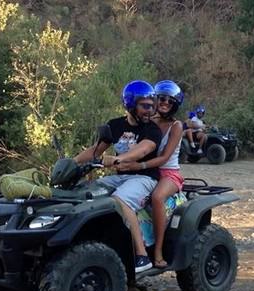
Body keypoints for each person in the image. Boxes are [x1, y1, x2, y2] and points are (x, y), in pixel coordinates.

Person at [74, 80, 162, 273]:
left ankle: (142, 256)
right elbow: (95, 151)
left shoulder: (152, 129)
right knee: (86, 193)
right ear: (130, 104)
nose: (150, 110)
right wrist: (72, 163)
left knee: (120, 200)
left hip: (144, 178)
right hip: (120, 177)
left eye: (152, 106)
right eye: (145, 106)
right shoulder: (115, 125)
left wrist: (116, 159)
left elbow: (142, 150)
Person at [115, 80, 184, 268]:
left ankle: (158, 251)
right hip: (146, 171)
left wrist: (139, 165)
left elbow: (164, 158)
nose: (164, 103)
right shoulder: (148, 121)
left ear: (175, 105)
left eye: (169, 102)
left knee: (157, 197)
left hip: (168, 173)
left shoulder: (176, 126)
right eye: (161, 99)